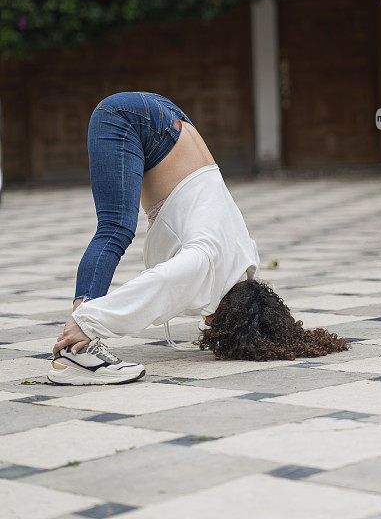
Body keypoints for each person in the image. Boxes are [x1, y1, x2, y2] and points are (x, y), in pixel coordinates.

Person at [48, 91, 348, 386]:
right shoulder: (205, 261)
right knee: (115, 228)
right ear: (231, 322)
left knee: (117, 227)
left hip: (167, 119)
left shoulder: (244, 261)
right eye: (221, 331)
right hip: (133, 120)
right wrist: (91, 320)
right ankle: (77, 348)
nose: (207, 327)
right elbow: (159, 285)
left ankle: (80, 333)